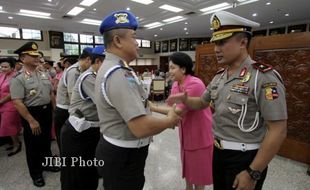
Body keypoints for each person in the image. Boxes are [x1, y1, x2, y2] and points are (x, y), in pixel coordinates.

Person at [167, 11, 287, 190]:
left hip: (245, 158)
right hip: (218, 153)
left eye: (222, 42)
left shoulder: (263, 77)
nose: (216, 49)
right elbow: (201, 103)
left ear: (243, 42)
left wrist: (253, 171)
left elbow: (278, 130)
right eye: (215, 43)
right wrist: (186, 98)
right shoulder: (220, 77)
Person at [94, 10, 180, 190]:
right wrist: (169, 121)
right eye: (134, 37)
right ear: (117, 41)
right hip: (123, 155)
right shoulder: (117, 73)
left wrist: (160, 111)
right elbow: (140, 127)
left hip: (123, 151)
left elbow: (141, 104)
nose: (137, 43)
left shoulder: (121, 69)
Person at [149, 52, 213, 190]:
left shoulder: (195, 84)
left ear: (183, 69)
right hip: (186, 134)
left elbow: (177, 111)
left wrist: (153, 107)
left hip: (199, 137)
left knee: (198, 177)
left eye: (172, 68)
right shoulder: (176, 85)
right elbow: (171, 108)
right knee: (188, 173)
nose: (169, 71)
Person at [9, 42, 59, 187]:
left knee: (45, 141)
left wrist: (54, 109)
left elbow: (50, 93)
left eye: (37, 55)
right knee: (33, 146)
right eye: (33, 55)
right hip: (31, 113)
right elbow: (18, 102)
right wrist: (31, 120)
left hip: (46, 112)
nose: (37, 57)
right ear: (23, 58)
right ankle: (36, 173)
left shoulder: (43, 73)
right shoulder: (18, 78)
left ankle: (47, 164)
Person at [60, 46, 105, 190]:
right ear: (97, 61)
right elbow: (107, 104)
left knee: (89, 173)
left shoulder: (99, 77)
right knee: (75, 176)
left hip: (92, 131)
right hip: (78, 133)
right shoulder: (89, 77)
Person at [54, 48, 92, 151]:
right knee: (66, 145)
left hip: (70, 109)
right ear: (88, 59)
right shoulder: (74, 71)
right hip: (65, 109)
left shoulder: (80, 69)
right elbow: (72, 94)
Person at [0, 57, 22, 156]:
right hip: (2, 104)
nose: (3, 69)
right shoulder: (2, 75)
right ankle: (14, 142)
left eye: (6, 67)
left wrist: (1, 101)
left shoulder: (15, 77)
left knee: (9, 126)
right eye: (2, 66)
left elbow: (12, 93)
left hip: (11, 104)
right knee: (11, 125)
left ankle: (16, 144)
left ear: (12, 68)